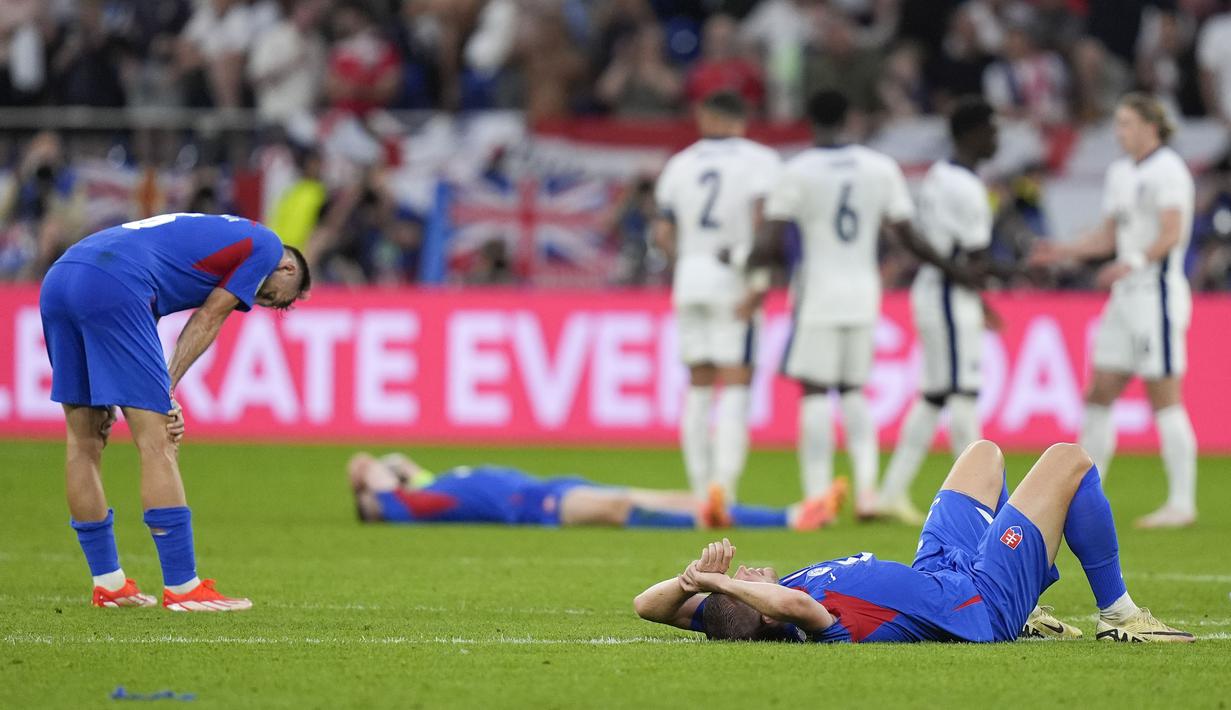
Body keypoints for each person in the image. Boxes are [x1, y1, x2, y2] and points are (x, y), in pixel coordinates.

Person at [634, 440, 1195, 644]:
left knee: (983, 455)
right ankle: (1119, 615)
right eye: (744, 582)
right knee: (1069, 460)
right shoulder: (810, 620)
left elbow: (647, 607)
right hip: (981, 601)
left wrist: (693, 581)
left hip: (940, 570)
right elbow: (791, 605)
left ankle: (1032, 609)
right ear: (764, 611)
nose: (747, 571)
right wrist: (726, 585)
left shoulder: (748, 612)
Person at [39, 212, 311, 612]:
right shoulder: (266, 245)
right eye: (272, 298)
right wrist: (165, 393)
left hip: (61, 276)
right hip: (116, 282)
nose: (258, 302)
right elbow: (208, 317)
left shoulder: (207, 236)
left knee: (84, 440)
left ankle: (110, 585)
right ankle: (184, 588)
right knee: (159, 439)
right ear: (287, 268)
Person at [756, 90, 978, 517]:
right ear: (850, 119)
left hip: (817, 293)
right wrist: (952, 268)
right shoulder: (879, 167)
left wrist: (751, 266)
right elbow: (907, 234)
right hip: (863, 292)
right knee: (854, 391)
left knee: (815, 391)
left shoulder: (797, 170)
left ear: (811, 122)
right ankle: (868, 492)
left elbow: (771, 240)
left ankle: (817, 498)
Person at [1030, 93, 1197, 529]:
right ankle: (1083, 493)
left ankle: (1182, 503)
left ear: (1150, 126)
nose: (1119, 132)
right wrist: (1062, 250)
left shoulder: (1169, 170)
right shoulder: (1120, 173)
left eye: (1126, 123)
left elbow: (1173, 232)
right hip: (1124, 296)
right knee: (1099, 390)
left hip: (1157, 294)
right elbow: (1108, 237)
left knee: (1164, 395)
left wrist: (1133, 262)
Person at [876, 97, 1002, 525]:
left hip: (935, 290)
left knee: (934, 396)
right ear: (972, 133)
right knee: (963, 392)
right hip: (949, 295)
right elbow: (975, 260)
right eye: (992, 130)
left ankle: (890, 492)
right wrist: (1016, 269)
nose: (997, 139)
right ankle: (984, 502)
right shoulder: (968, 187)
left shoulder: (939, 175)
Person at [653, 91, 782, 501]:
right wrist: (759, 282)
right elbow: (764, 225)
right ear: (741, 119)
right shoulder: (760, 161)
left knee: (699, 383)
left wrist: (686, 265)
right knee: (737, 381)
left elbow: (662, 233)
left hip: (690, 278)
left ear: (704, 116)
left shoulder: (680, 163)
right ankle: (722, 490)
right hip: (734, 279)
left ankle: (698, 488)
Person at [347, 451, 845, 531]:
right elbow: (363, 465)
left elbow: (394, 461)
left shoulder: (425, 483)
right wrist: (375, 488)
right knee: (620, 507)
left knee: (667, 494)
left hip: (548, 486)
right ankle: (700, 521)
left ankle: (790, 515)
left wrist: (397, 470)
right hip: (534, 506)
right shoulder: (403, 506)